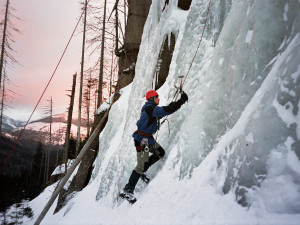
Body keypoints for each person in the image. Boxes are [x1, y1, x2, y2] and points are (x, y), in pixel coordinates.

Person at [120, 89, 188, 202]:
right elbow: (167, 110)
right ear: (152, 98)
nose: (159, 99)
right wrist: (181, 101)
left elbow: (165, 110)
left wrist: (175, 104)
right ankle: (128, 189)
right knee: (140, 165)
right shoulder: (150, 109)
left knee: (160, 152)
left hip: (147, 139)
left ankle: (143, 171)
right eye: (157, 97)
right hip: (142, 140)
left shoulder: (151, 109)